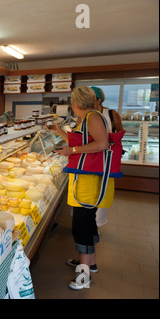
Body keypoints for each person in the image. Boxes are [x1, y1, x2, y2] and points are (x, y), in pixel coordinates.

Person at [48, 86, 115, 290]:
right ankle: (89, 263)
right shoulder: (89, 118)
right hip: (85, 181)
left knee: (82, 227)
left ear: (75, 104)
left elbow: (102, 144)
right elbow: (84, 141)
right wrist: (59, 132)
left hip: (89, 184)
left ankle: (84, 276)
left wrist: (72, 150)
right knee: (88, 224)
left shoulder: (92, 117)